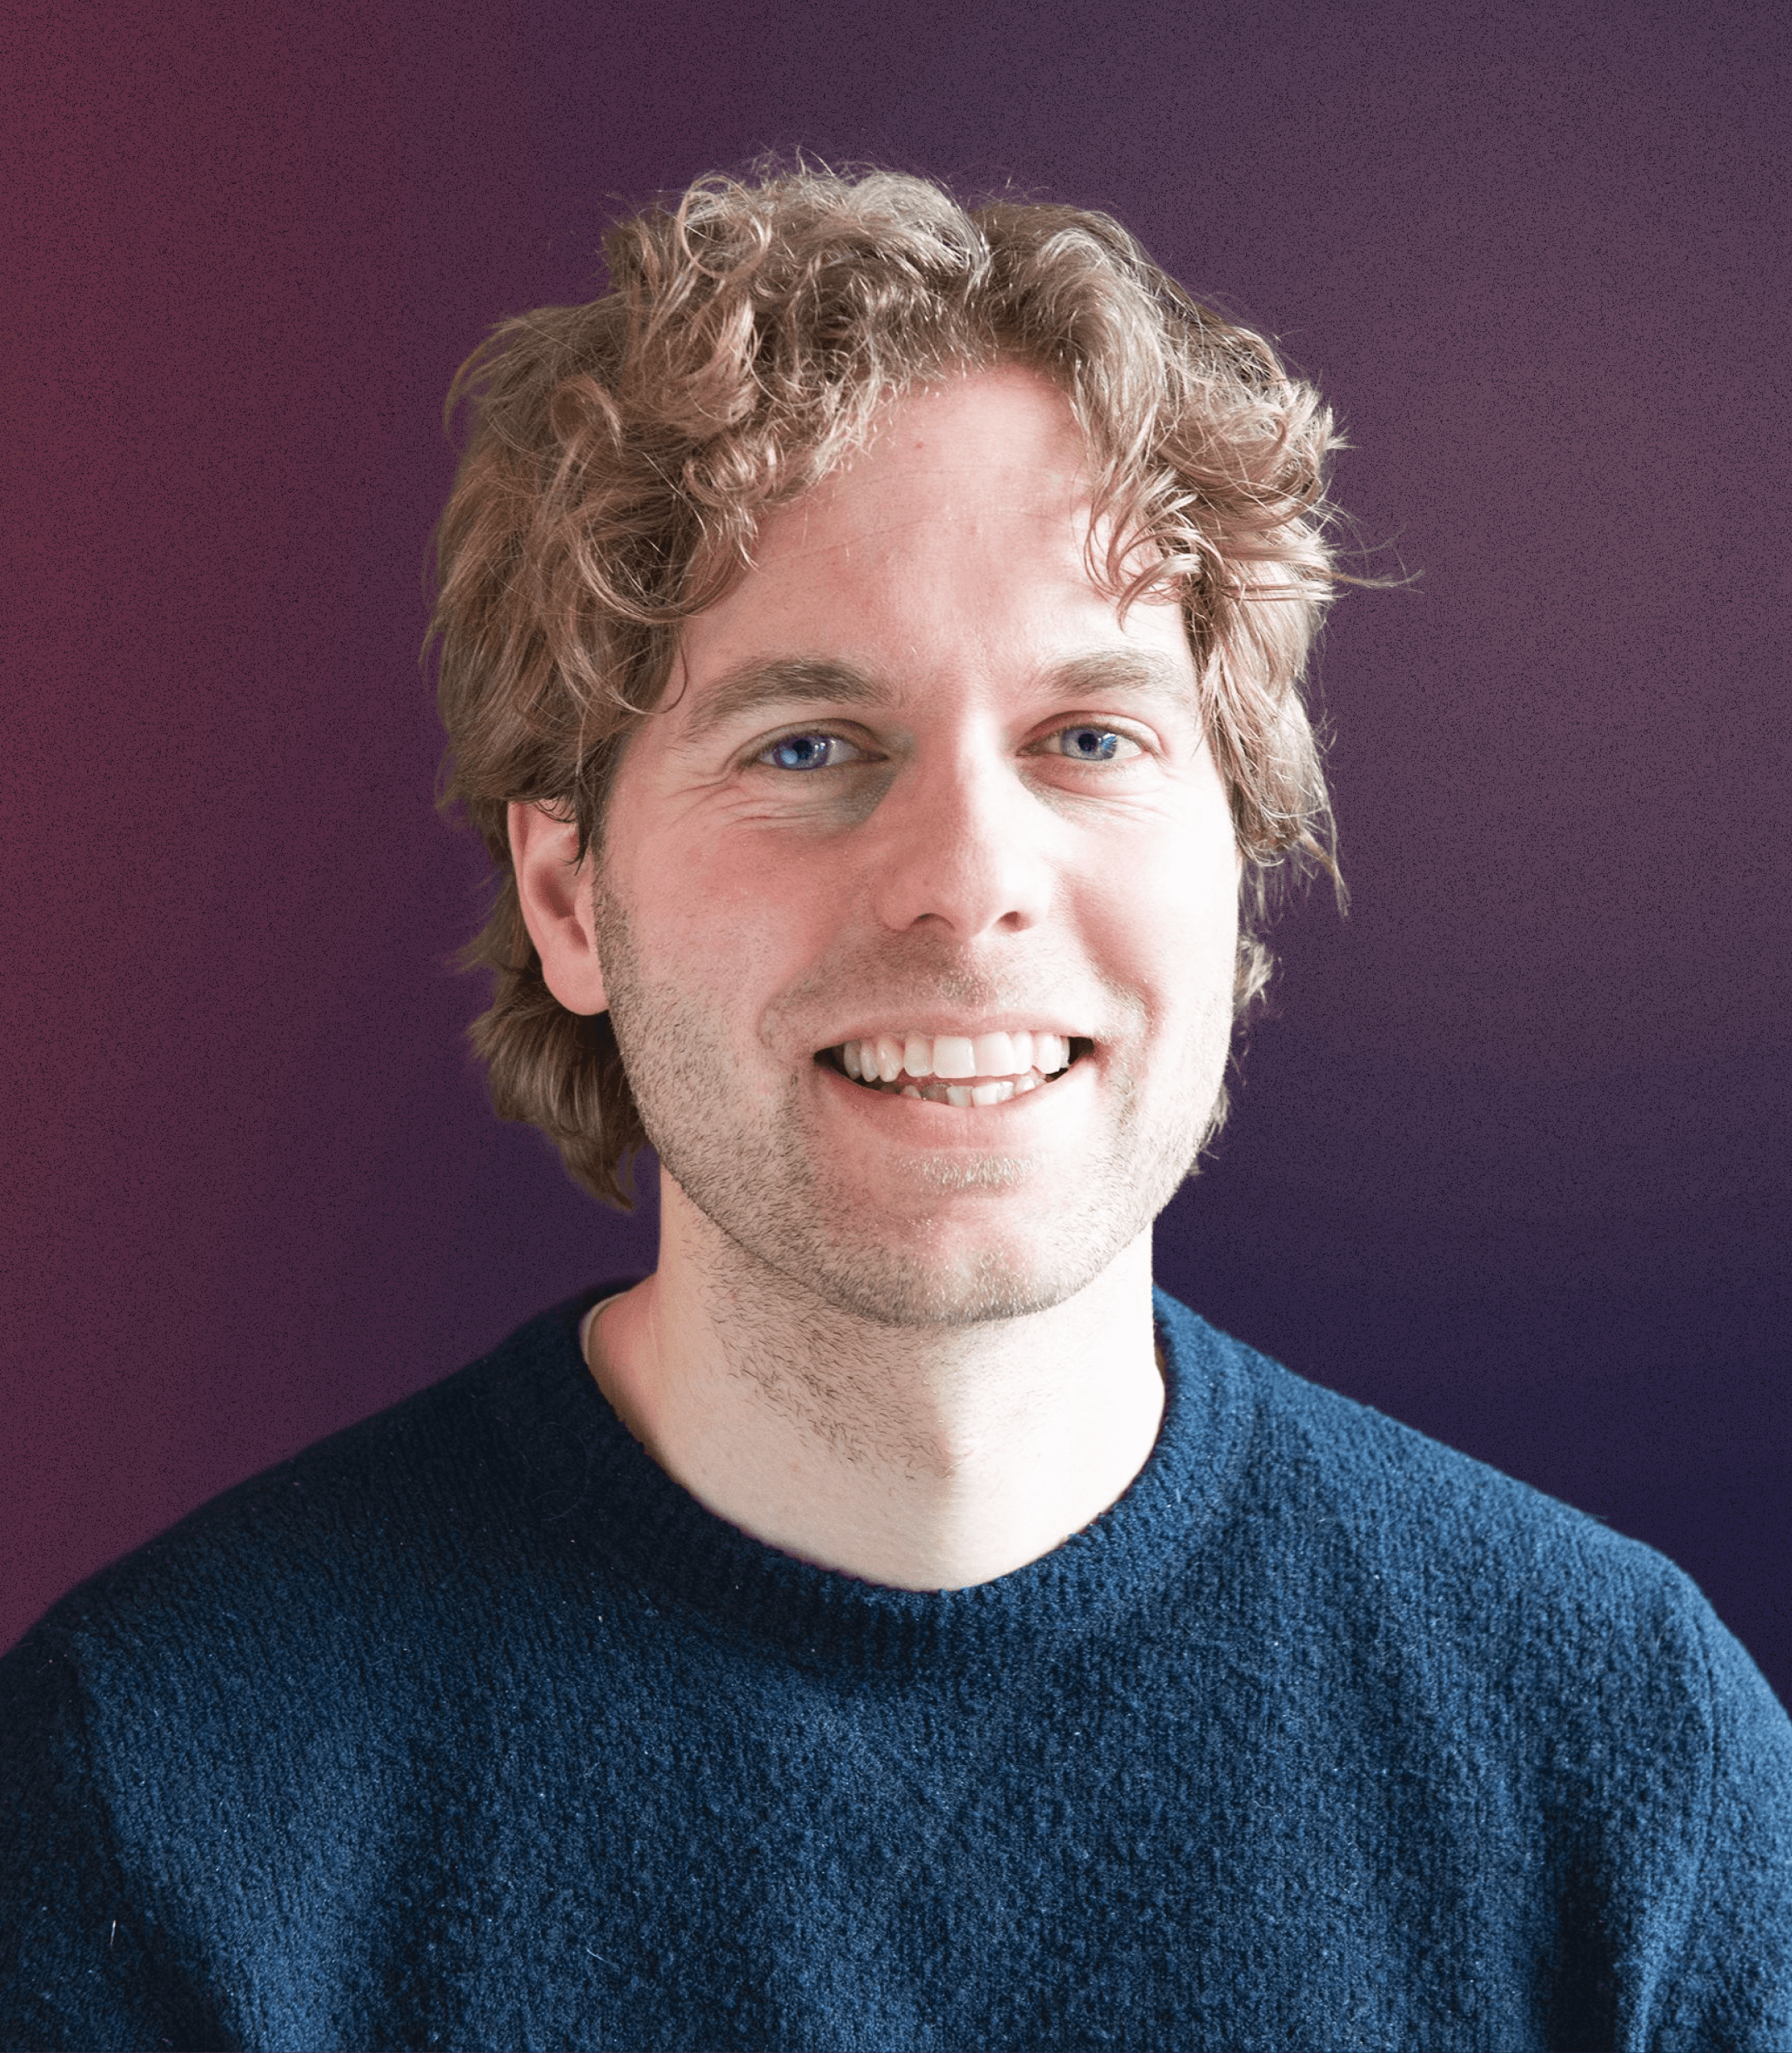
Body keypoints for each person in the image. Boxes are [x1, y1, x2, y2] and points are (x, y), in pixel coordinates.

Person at [2, 167, 1787, 2053]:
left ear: (1240, 855)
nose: (965, 881)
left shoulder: (1628, 1765)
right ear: (568, 897)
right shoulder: (152, 1803)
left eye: (1089, 737)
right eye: (808, 746)